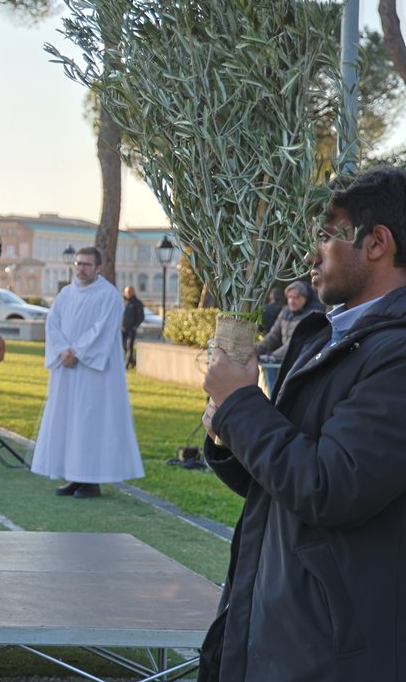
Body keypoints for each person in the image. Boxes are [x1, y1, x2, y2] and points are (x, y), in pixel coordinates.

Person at [197, 168, 406, 681]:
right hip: (280, 618)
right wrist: (228, 426)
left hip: (334, 646)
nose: (311, 251)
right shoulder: (323, 334)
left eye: (327, 233)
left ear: (376, 242)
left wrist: (242, 405)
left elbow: (330, 487)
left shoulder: (397, 352)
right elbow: (276, 481)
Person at [30, 247, 143, 499]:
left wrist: (77, 352)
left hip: (95, 373)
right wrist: (62, 351)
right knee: (68, 421)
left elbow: (102, 330)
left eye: (87, 265)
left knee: (90, 423)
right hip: (67, 371)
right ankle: (74, 475)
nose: (81, 268)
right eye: (78, 263)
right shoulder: (65, 294)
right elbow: (53, 324)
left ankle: (92, 479)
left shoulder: (108, 295)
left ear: (99, 268)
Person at [256, 280, 323, 364]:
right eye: (289, 297)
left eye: (297, 297)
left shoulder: (313, 315)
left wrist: (272, 356)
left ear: (306, 298)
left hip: (302, 362)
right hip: (285, 360)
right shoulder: (285, 312)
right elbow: (273, 336)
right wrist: (255, 350)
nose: (292, 301)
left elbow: (294, 343)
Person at [121, 285, 145, 370]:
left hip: (131, 329)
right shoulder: (123, 302)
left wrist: (135, 326)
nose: (128, 294)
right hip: (123, 329)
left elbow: (141, 316)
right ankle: (132, 361)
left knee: (129, 346)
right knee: (122, 346)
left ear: (133, 292)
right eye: (126, 292)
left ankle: (126, 365)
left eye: (129, 292)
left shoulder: (137, 303)